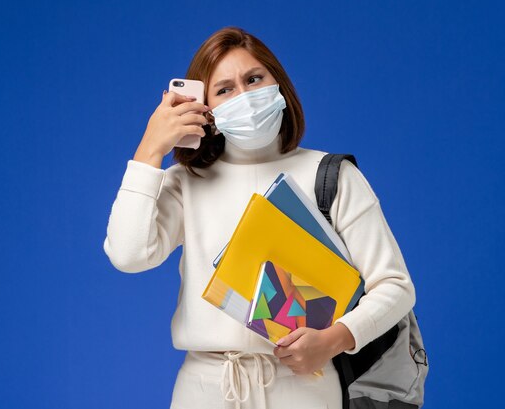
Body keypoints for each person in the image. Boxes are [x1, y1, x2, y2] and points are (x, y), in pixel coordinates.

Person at [103, 26, 415, 409]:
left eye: (254, 79)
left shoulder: (330, 175)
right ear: (206, 108)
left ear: (278, 85)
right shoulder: (185, 182)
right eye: (225, 89)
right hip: (205, 390)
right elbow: (128, 254)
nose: (245, 96)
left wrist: (335, 340)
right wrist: (149, 151)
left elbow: (395, 286)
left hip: (306, 388)